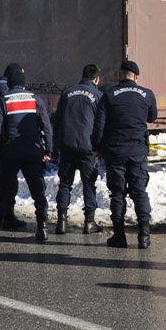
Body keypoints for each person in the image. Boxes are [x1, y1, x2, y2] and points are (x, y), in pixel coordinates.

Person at [91, 60, 157, 249]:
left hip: (115, 151)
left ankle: (119, 236)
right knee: (139, 193)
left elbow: (99, 125)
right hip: (137, 151)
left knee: (117, 194)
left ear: (120, 75)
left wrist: (96, 147)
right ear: (136, 77)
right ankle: (144, 236)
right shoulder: (147, 94)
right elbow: (152, 117)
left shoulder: (109, 95)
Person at [0, 64, 54, 241]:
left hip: (11, 152)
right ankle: (42, 226)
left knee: (3, 189)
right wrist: (48, 150)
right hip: (33, 151)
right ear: (24, 84)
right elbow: (47, 127)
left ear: (8, 83)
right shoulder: (35, 99)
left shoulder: (3, 100)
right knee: (38, 189)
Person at [52, 63, 104, 235]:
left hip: (67, 145)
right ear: (96, 79)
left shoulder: (67, 93)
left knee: (65, 183)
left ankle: (61, 222)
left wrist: (56, 143)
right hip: (87, 147)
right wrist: (100, 146)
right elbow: (100, 124)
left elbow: (57, 119)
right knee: (89, 183)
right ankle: (89, 223)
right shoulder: (98, 95)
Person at [0, 64, 26, 229]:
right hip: (3, 141)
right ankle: (6, 217)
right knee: (9, 182)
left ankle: (1, 217)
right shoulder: (4, 88)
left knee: (2, 181)